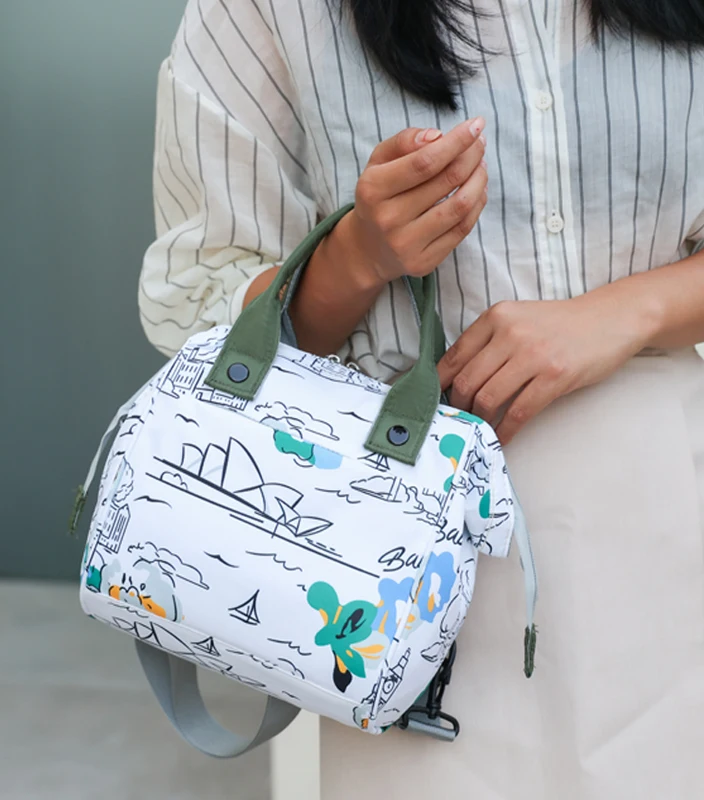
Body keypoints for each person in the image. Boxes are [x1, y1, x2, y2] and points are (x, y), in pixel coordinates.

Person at [139, 0, 704, 796]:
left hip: (668, 523)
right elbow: (199, 308)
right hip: (393, 559)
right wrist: (355, 257)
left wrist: (626, 311)